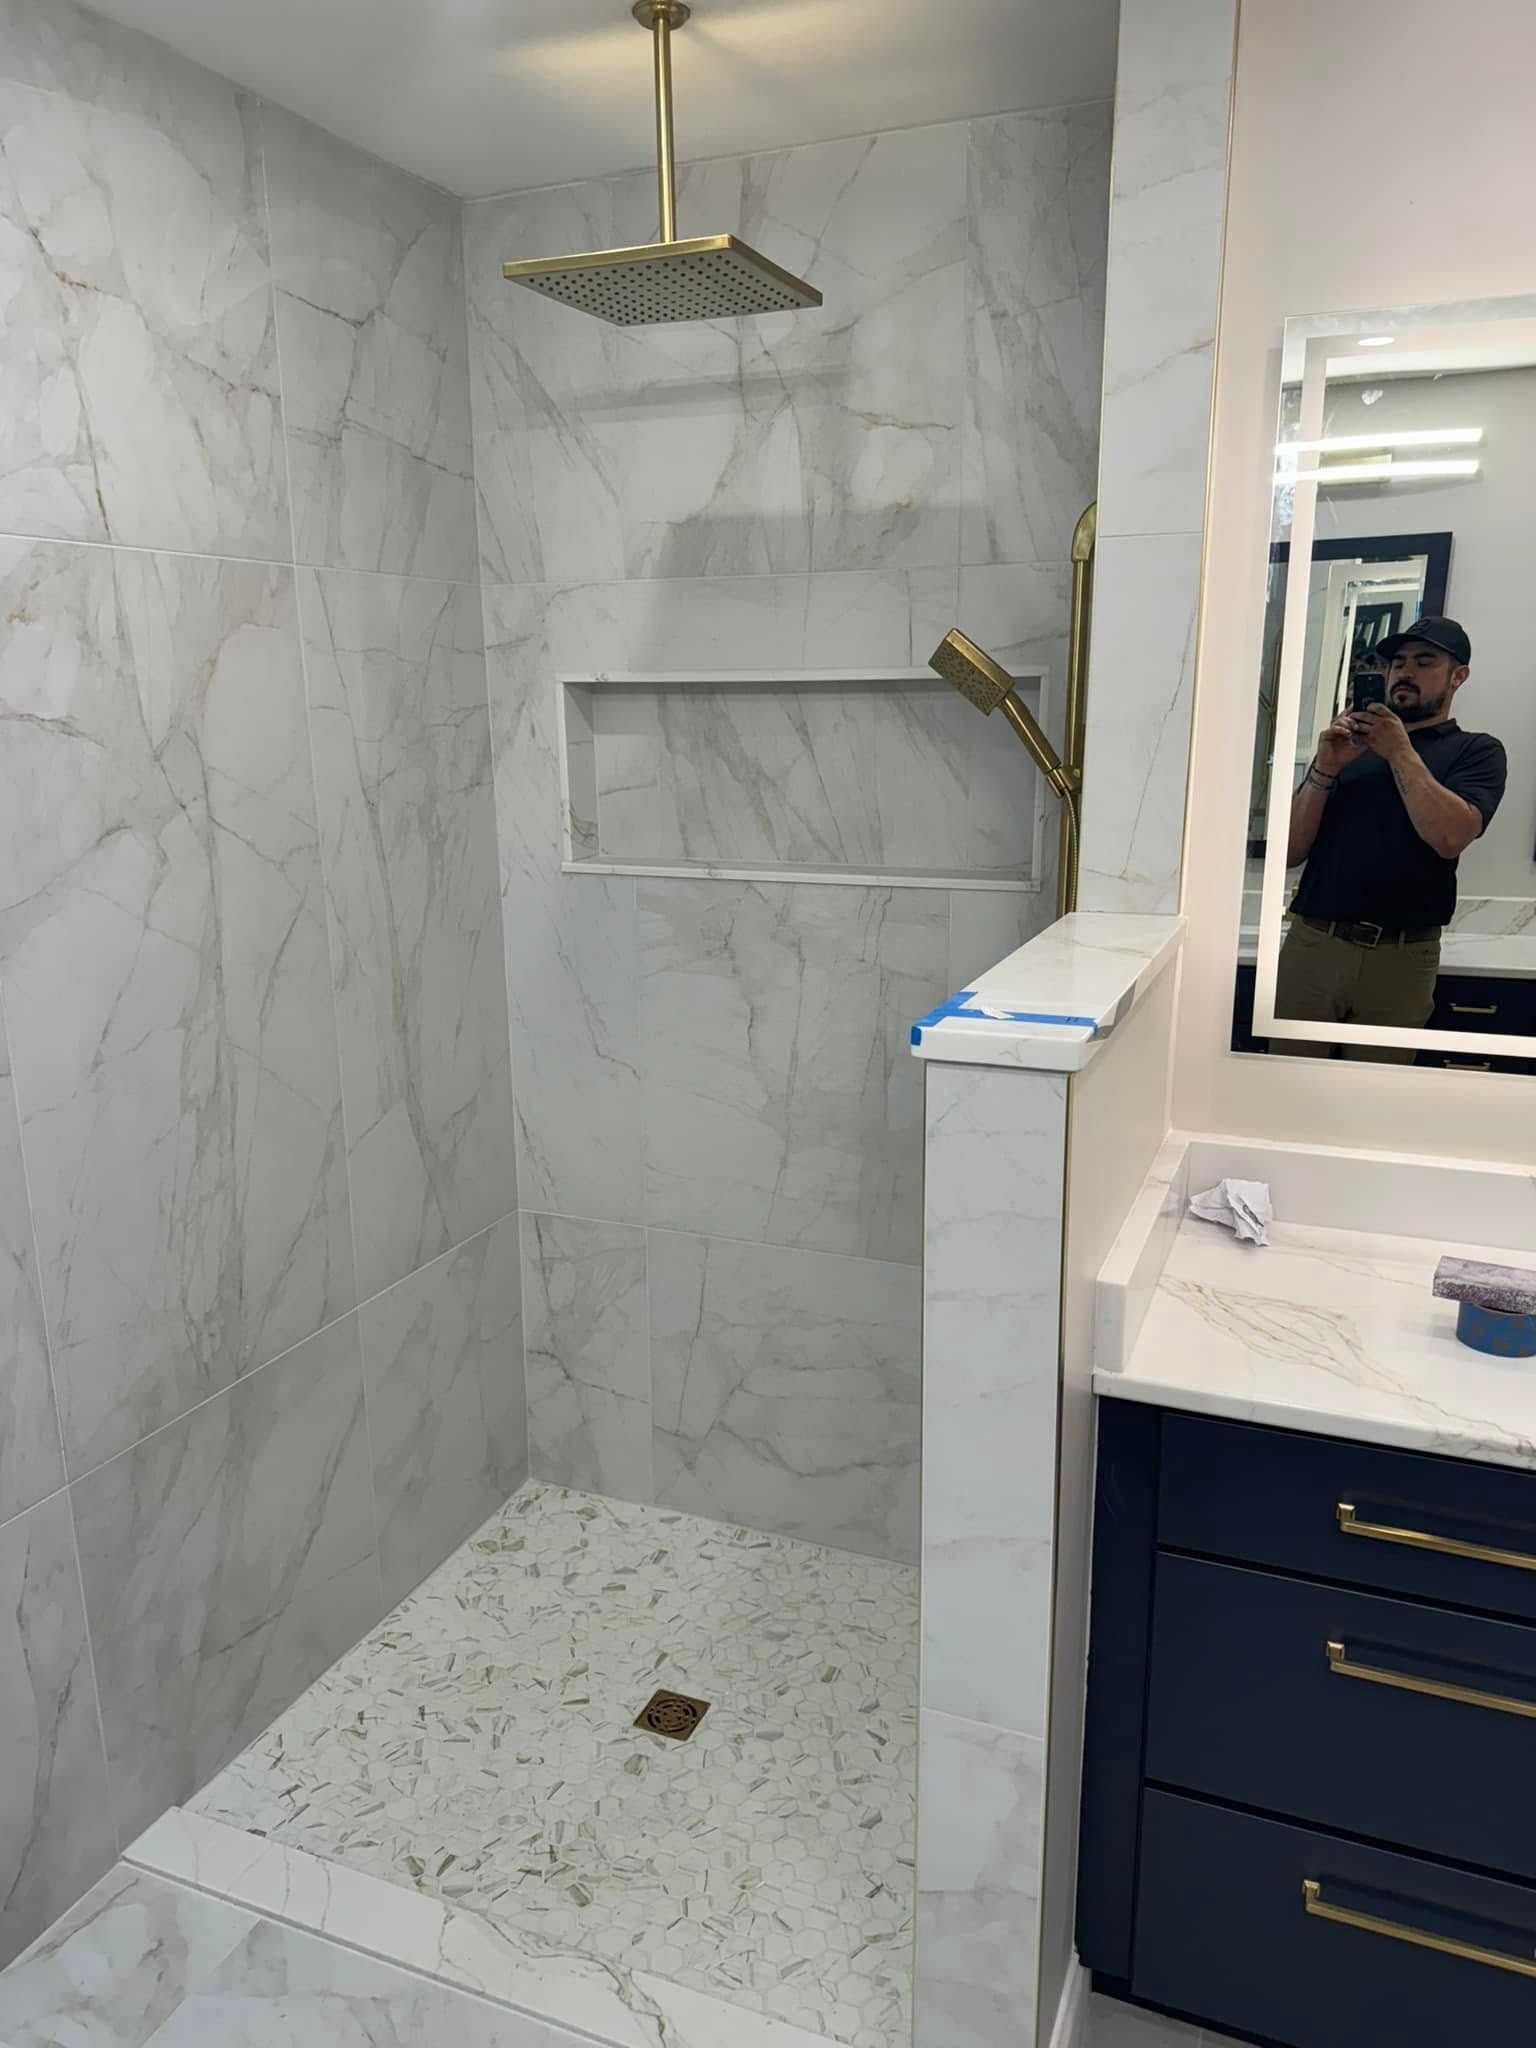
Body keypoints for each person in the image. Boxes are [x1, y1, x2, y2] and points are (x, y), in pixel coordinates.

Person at [1274, 616, 1507, 1060]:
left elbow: (1449, 837)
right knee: (1287, 1090)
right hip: (1313, 945)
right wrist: (1324, 768)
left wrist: (1400, 750)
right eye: (1397, 662)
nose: (1404, 672)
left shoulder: (1477, 750)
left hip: (1402, 958)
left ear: (1459, 676)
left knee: (1375, 1099)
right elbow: (1286, 853)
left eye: (1424, 661)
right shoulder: (1345, 751)